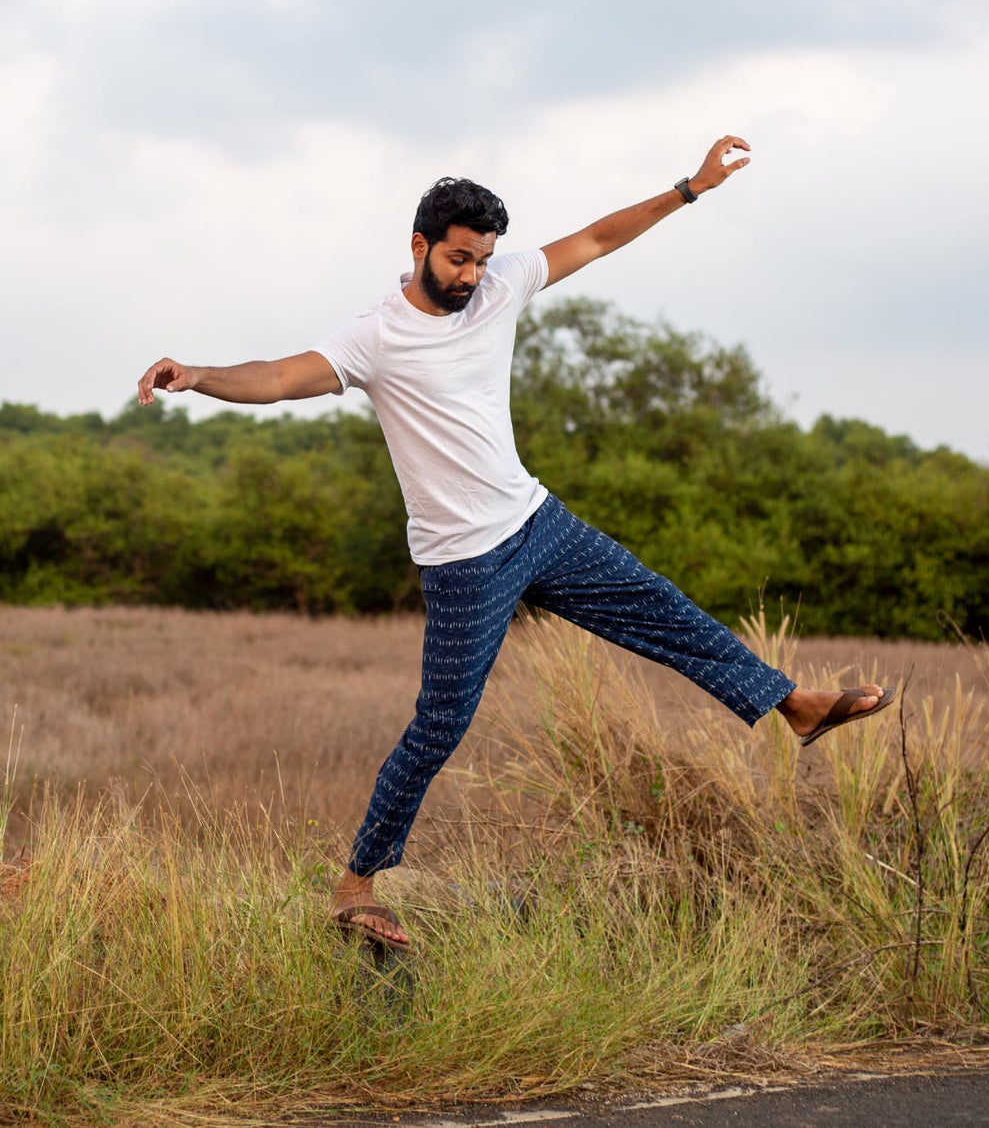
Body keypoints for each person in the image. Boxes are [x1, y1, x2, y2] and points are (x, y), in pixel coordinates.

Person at [138, 135, 896, 951]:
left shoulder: (501, 285)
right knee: (442, 723)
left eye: (482, 260)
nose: (471, 276)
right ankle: (357, 882)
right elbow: (283, 377)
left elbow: (599, 237)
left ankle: (793, 705)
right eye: (459, 259)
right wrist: (202, 376)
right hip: (463, 561)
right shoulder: (375, 337)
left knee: (663, 608)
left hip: (537, 523)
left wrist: (690, 188)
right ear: (420, 246)